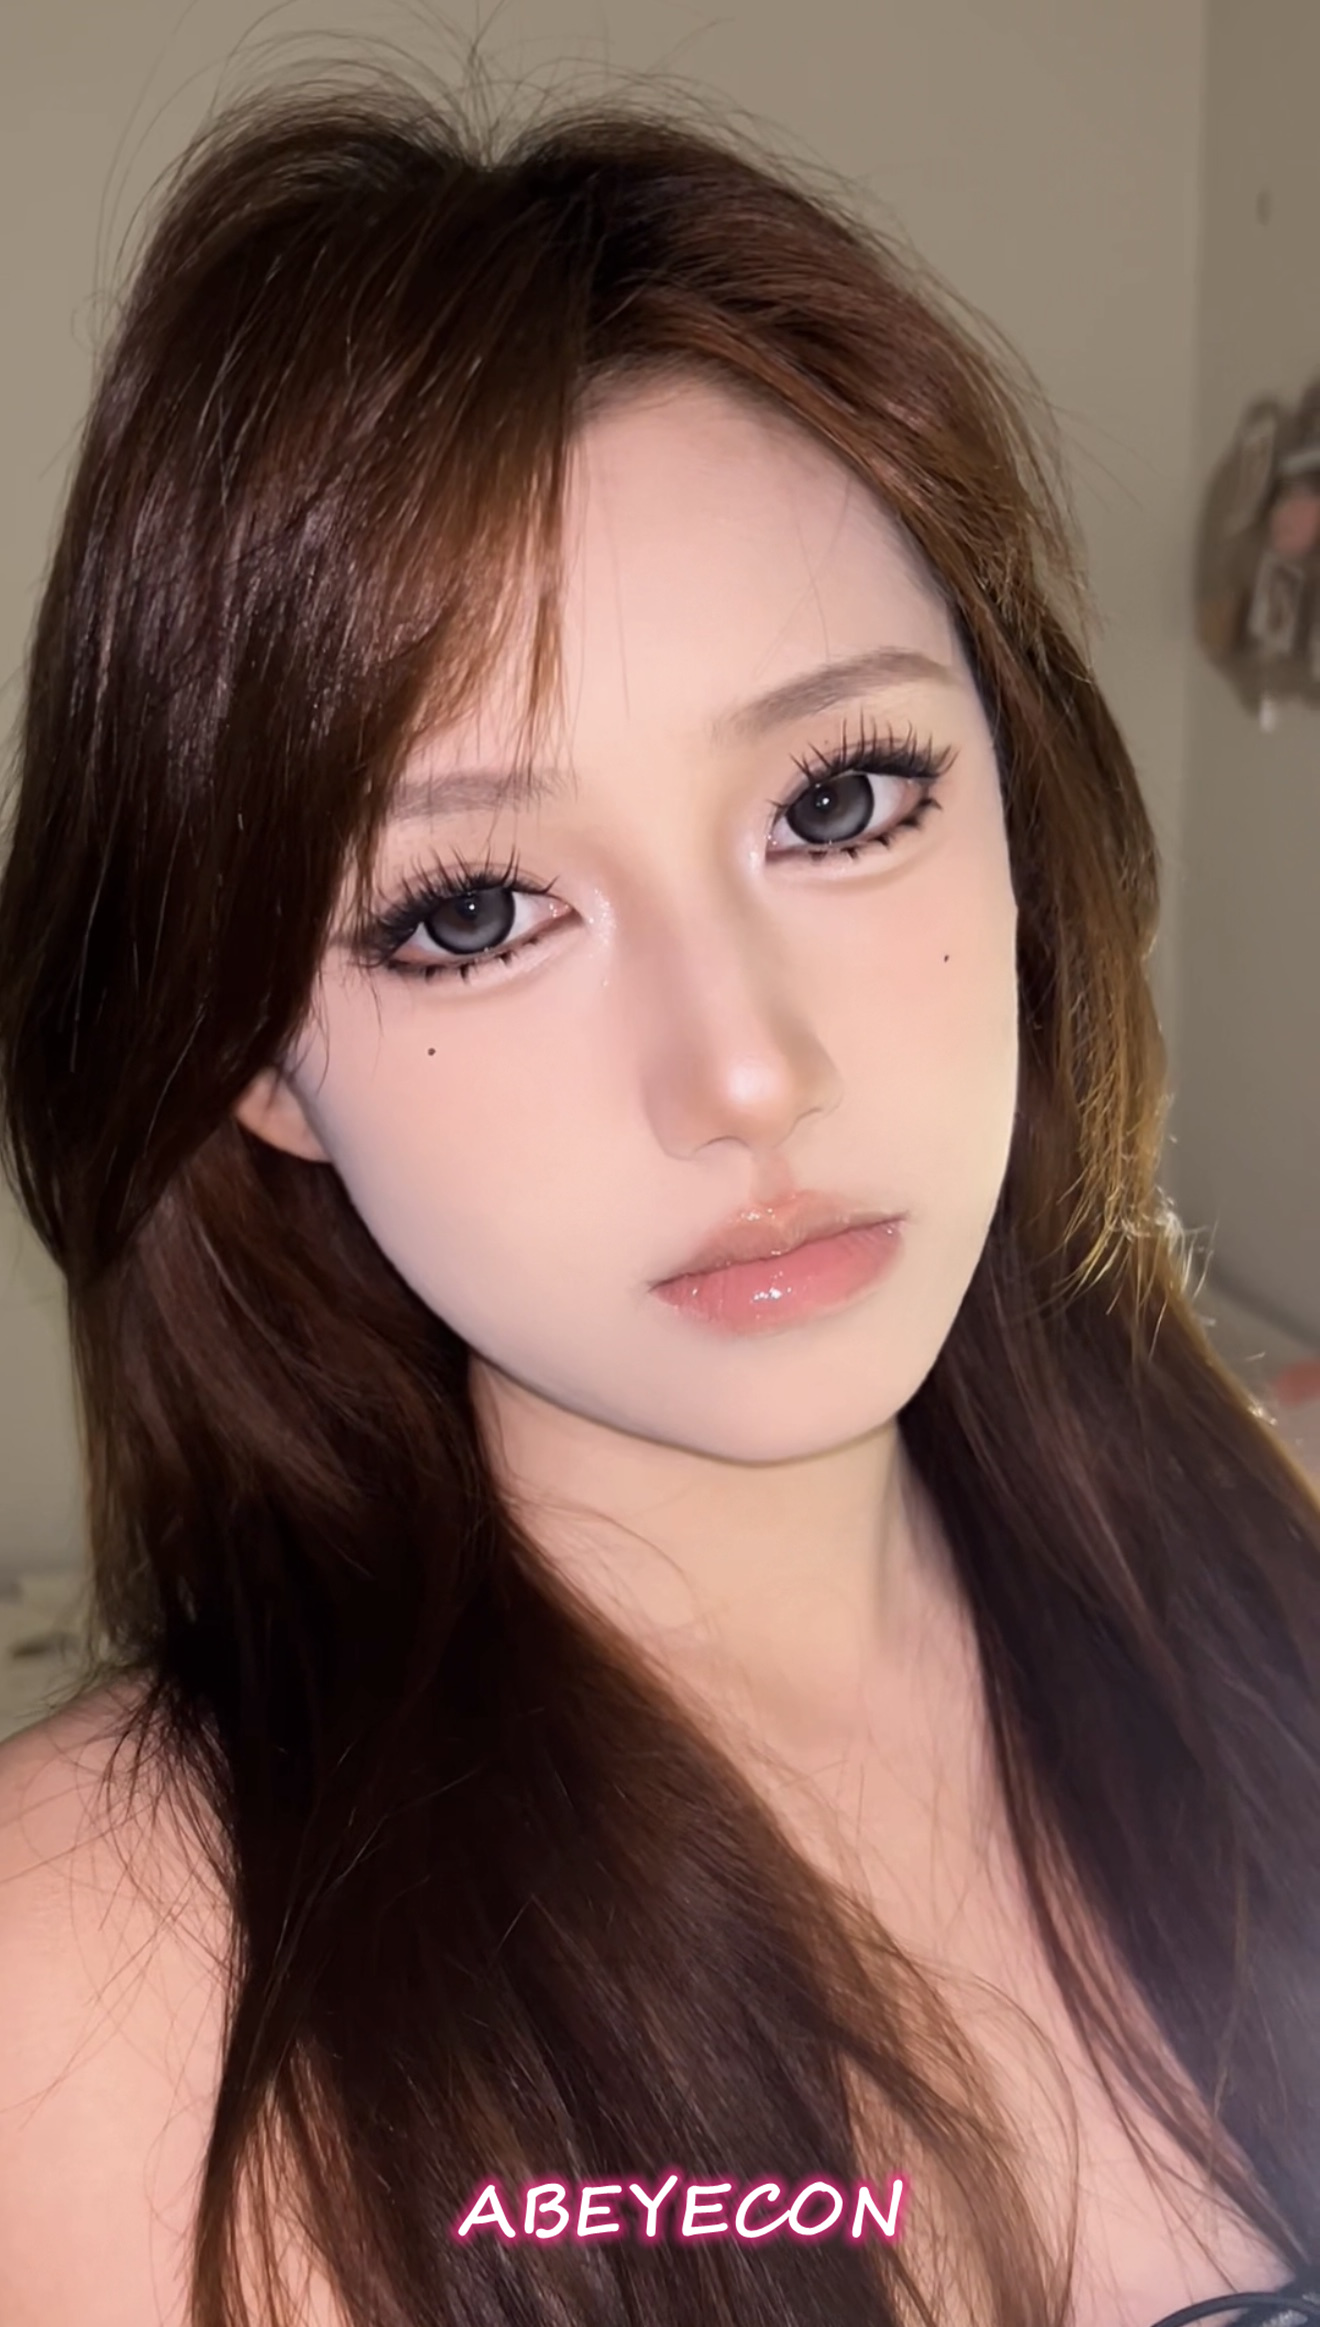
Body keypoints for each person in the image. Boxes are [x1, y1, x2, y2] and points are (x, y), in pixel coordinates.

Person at [1, 71, 1319, 2327]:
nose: (747, 1074)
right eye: (473, 913)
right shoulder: (94, 2001)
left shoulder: (1269, 1586)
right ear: (255, 1056)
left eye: (844, 799)